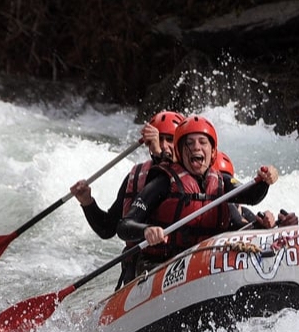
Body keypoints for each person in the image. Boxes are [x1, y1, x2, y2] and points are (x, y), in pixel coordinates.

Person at [117, 114, 279, 274]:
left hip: (205, 264)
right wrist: (146, 230)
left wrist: (264, 181)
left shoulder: (222, 182)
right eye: (189, 143)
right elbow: (124, 226)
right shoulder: (163, 181)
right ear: (179, 152)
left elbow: (251, 196)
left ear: (213, 151)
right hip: (162, 266)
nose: (196, 147)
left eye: (202, 142)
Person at [70, 110, 184, 288]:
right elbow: (108, 228)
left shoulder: (192, 176)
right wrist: (87, 202)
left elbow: (174, 177)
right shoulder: (137, 176)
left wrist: (159, 152)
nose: (164, 145)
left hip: (182, 266)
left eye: (170, 139)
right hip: (142, 271)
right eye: (159, 139)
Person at [215, 151, 299, 230]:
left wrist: (277, 227)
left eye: (228, 182)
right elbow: (238, 224)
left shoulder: (243, 212)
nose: (223, 186)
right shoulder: (208, 210)